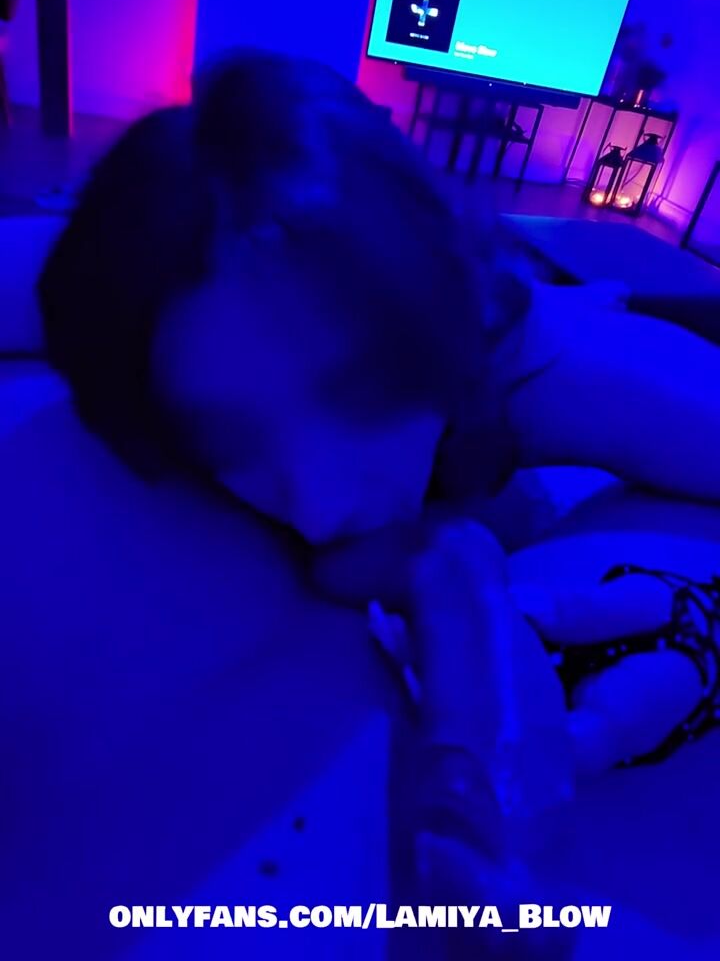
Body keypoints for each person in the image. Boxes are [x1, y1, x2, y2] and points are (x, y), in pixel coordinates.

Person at [38, 51, 720, 926]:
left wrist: (704, 621)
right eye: (230, 443)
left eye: (358, 394)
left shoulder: (554, 370)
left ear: (437, 315)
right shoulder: (196, 311)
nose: (317, 505)